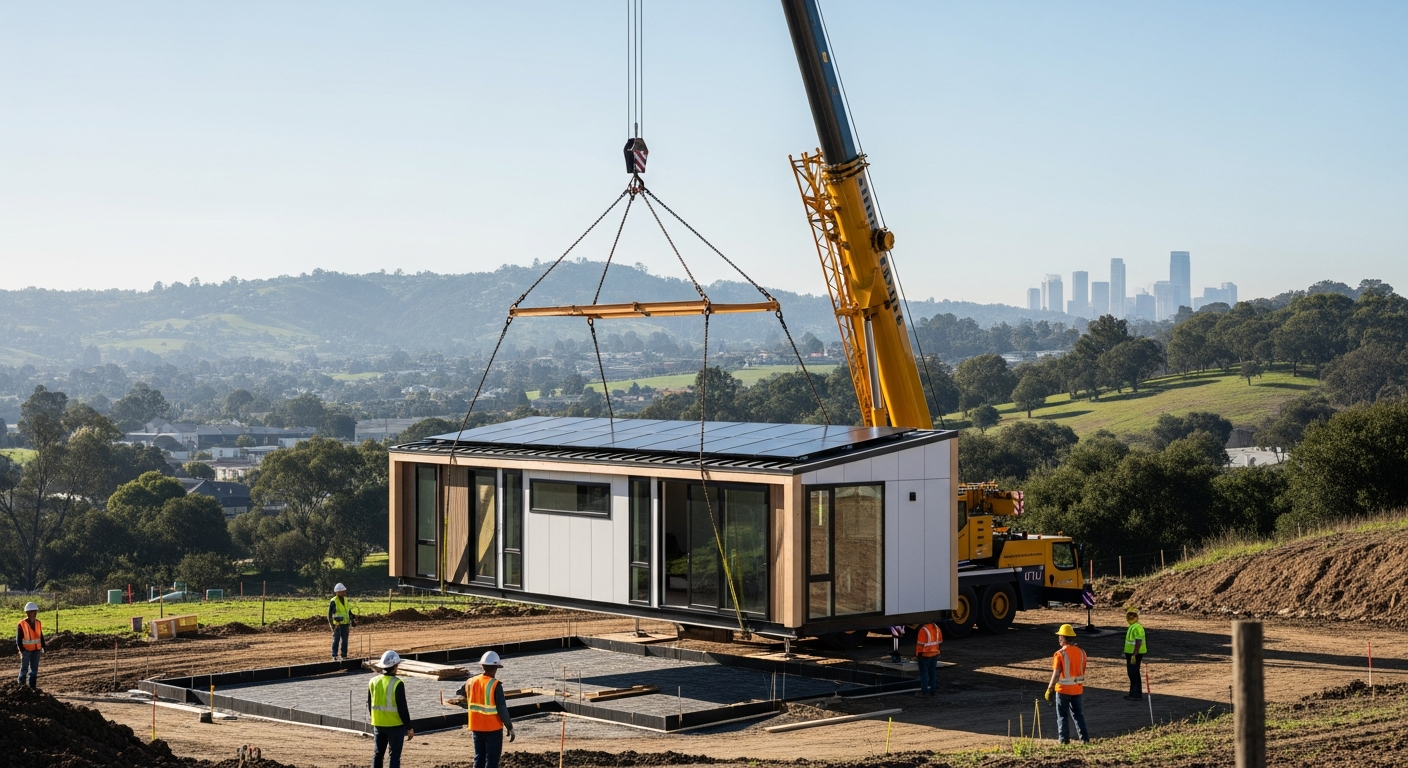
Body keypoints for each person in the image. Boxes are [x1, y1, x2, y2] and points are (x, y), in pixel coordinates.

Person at [465, 650, 515, 768]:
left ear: (482, 666)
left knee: (479, 759)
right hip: (493, 729)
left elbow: (463, 696)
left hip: (476, 727)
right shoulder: (495, 685)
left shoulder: (471, 682)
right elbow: (502, 707)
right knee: (492, 762)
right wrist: (509, 726)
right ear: (496, 667)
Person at [1045, 624, 1089, 745]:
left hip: (1063, 690)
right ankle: (1084, 739)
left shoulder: (1059, 654)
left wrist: (1050, 688)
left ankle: (1064, 741)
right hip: (1077, 690)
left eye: (1060, 636)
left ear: (1064, 638)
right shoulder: (1082, 653)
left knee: (1062, 716)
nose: (1058, 638)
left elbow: (1056, 673)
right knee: (1078, 715)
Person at [368, 650, 413, 768]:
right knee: (394, 756)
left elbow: (370, 703)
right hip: (395, 725)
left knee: (378, 754)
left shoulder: (373, 681)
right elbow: (402, 708)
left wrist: (374, 719)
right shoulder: (397, 683)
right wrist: (408, 727)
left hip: (378, 724)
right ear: (395, 666)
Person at [16, 602, 44, 689]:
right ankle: (21, 687)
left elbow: (40, 635)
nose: (34, 614)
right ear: (27, 613)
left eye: (35, 612)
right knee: (24, 669)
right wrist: (21, 649)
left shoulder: (38, 623)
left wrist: (43, 646)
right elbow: (18, 638)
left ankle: (32, 687)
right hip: (26, 650)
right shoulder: (21, 624)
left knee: (34, 670)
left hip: (36, 649)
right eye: (32, 612)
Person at [1123, 608, 1147, 701]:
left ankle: (1136, 695)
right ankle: (1134, 694)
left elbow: (1138, 641)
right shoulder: (1133, 626)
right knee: (1133, 673)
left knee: (1133, 674)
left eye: (1133, 615)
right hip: (1131, 654)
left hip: (1135, 654)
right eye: (1129, 615)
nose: (1131, 617)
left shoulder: (1136, 627)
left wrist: (1134, 654)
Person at [914, 621, 942, 696]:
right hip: (934, 654)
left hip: (924, 655)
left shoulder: (923, 630)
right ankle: (933, 690)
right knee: (932, 673)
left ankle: (924, 692)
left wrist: (917, 655)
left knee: (924, 674)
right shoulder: (936, 628)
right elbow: (939, 642)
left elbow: (920, 645)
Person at [328, 583, 354, 661]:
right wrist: (332, 625)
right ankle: (334, 655)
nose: (344, 593)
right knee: (336, 639)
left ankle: (344, 655)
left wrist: (352, 620)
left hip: (345, 623)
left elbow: (348, 611)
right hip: (337, 624)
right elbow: (329, 614)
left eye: (344, 591)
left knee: (345, 640)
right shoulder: (333, 601)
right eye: (342, 592)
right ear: (338, 592)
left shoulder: (345, 599)